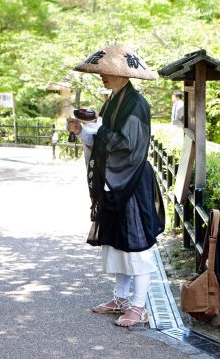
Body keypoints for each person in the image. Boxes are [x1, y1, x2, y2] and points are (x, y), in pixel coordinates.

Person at [67, 45, 165, 327]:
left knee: (136, 245)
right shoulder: (113, 101)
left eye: (106, 72)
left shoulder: (137, 104)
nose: (102, 76)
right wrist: (84, 132)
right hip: (115, 181)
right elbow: (104, 141)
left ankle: (138, 306)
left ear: (122, 74)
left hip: (130, 182)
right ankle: (121, 298)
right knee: (116, 242)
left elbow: (130, 147)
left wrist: (98, 130)